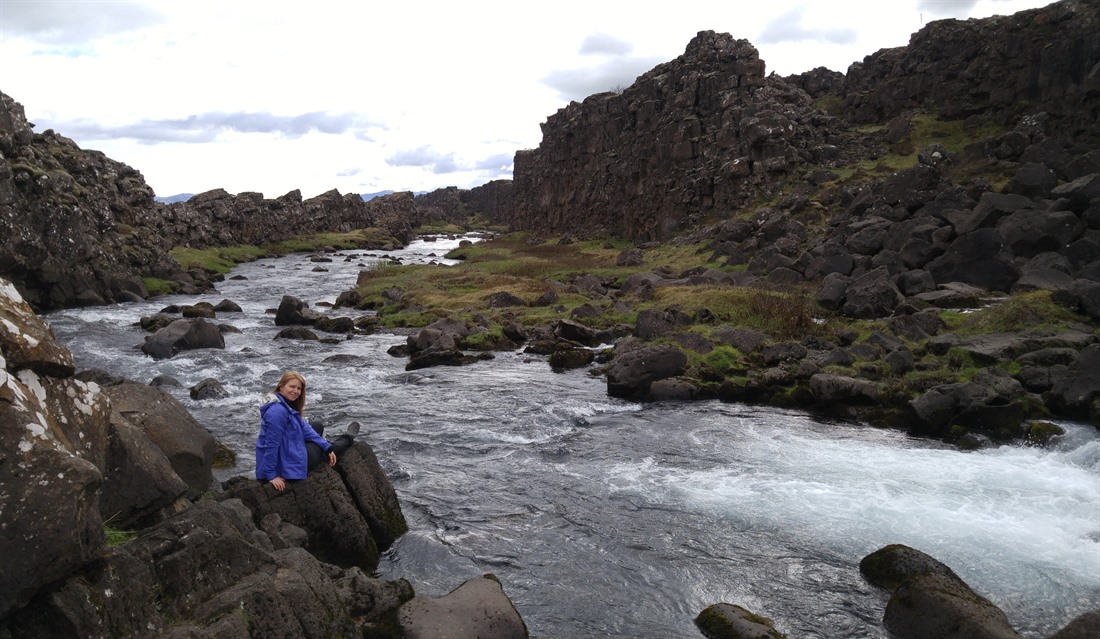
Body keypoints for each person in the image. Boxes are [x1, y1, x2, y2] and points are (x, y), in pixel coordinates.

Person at [255, 371, 358, 491]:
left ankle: (326, 444)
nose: (296, 391)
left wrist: (326, 446)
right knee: (322, 449)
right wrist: (271, 475)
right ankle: (347, 438)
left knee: (317, 426)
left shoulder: (284, 404)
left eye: (299, 388)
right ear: (281, 387)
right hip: (286, 463)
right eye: (292, 386)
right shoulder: (277, 412)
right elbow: (271, 445)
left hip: (287, 447)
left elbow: (304, 428)